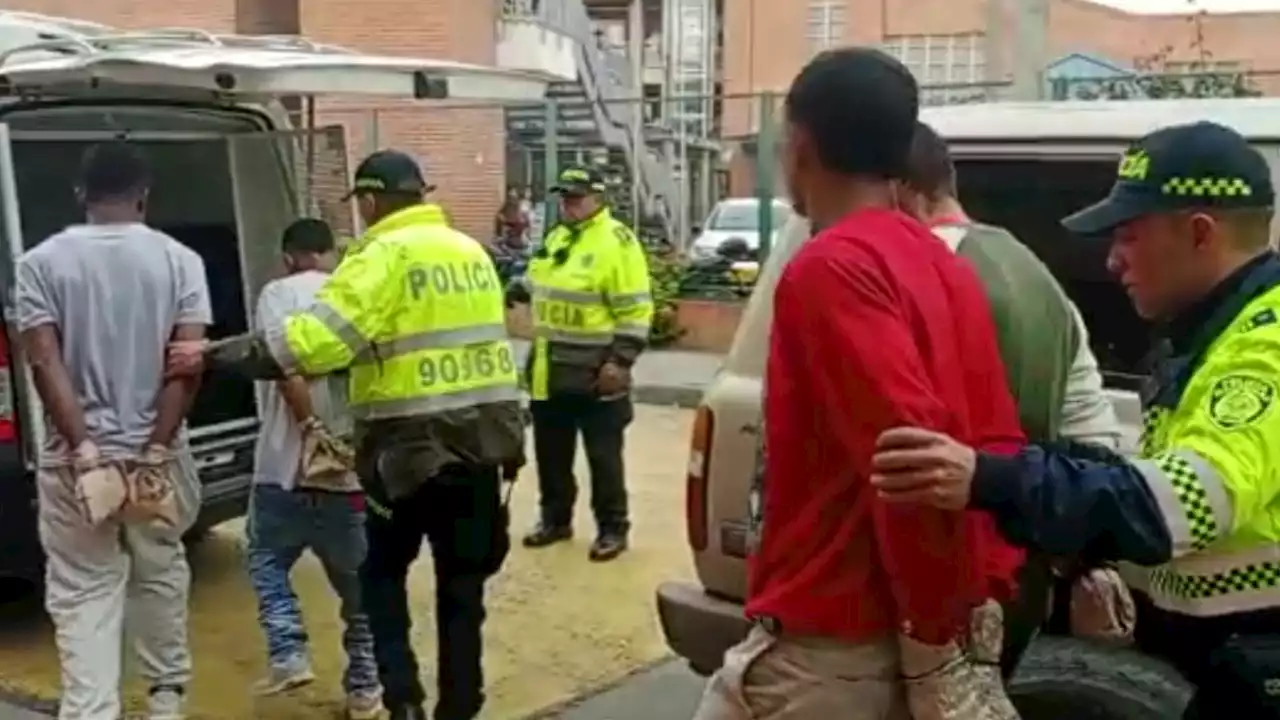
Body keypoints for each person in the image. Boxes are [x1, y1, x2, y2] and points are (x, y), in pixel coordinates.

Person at [871, 121, 1280, 718]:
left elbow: (1182, 503)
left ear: (1199, 233)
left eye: (1130, 236)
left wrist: (989, 478)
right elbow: (1152, 476)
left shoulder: (1263, 349)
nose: (1112, 260)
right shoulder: (1212, 335)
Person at [692, 48, 1024, 720]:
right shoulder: (940, 261)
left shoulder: (829, 269)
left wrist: (931, 637)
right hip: (889, 635)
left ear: (800, 145)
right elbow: (991, 437)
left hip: (832, 650)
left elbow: (909, 465)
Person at [193, 149, 526, 720]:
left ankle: (403, 703)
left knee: (379, 578)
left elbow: (311, 348)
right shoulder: (469, 251)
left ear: (369, 202)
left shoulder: (378, 256)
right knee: (463, 593)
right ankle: (460, 707)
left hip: (408, 457)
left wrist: (217, 356)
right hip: (483, 448)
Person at [898, 121, 1129, 670]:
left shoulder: (899, 272)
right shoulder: (1034, 274)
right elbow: (1090, 428)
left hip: (937, 579)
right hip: (1022, 573)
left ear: (898, 189)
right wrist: (1087, 557)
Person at [16, 141, 209, 720]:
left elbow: (45, 363)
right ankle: (165, 697)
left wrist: (86, 451)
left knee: (83, 592)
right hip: (156, 454)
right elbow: (187, 364)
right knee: (160, 571)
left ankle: (92, 710)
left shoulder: (39, 263)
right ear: (144, 196)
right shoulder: (181, 260)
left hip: (75, 466)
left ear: (81, 195)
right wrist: (154, 449)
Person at [243, 218, 380, 718]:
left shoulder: (276, 294)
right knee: (358, 587)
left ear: (288, 256)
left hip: (284, 466)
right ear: (332, 254)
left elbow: (285, 366)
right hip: (349, 473)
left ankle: (289, 652)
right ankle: (365, 690)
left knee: (264, 557)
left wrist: (308, 428)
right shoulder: (358, 293)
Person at [510, 166, 653, 562]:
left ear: (598, 198)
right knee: (552, 456)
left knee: (604, 458)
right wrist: (518, 287)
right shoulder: (558, 237)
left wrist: (621, 361)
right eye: (564, 198)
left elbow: (635, 308)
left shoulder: (617, 242)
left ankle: (613, 528)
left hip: (596, 373)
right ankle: (555, 520)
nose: (568, 206)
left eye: (576, 198)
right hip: (549, 369)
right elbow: (539, 281)